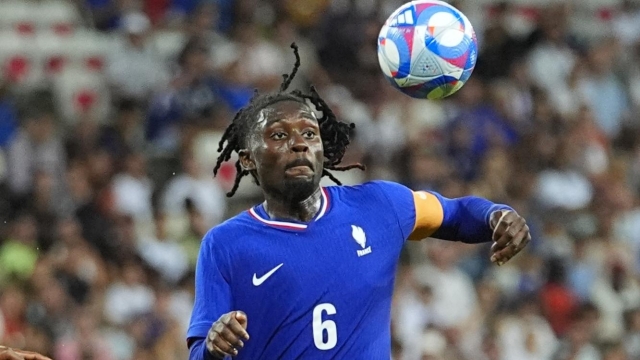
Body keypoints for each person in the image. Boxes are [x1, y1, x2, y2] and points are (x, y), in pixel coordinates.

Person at [187, 44, 532, 359]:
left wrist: (497, 215)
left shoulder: (380, 205)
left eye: (309, 133)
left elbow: (455, 214)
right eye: (279, 135)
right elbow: (200, 353)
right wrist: (213, 348)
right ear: (247, 159)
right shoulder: (226, 244)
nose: (300, 144)